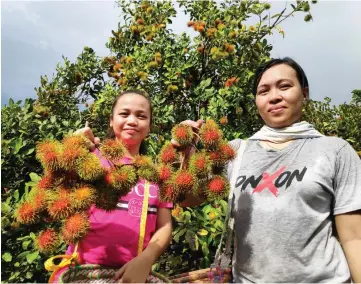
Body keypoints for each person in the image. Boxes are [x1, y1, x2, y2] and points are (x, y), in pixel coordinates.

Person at [175, 58, 361, 283]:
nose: (274, 96)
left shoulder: (335, 150)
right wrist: (187, 152)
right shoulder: (236, 151)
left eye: (284, 86)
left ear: (304, 93)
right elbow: (187, 197)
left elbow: (354, 239)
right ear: (256, 101)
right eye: (263, 91)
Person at [52, 90, 173, 283]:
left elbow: (165, 225)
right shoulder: (91, 159)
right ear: (111, 120)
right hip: (81, 273)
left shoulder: (156, 174)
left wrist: (146, 258)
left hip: (132, 275)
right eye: (124, 114)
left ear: (149, 126)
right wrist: (73, 145)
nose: (132, 121)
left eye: (141, 116)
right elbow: (56, 181)